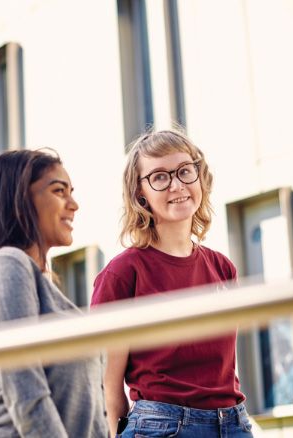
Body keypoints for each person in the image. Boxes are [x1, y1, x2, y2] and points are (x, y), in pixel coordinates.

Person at [90, 129, 253, 438]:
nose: (177, 185)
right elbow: (106, 387)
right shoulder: (123, 273)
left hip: (233, 424)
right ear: (141, 194)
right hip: (160, 427)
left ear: (199, 177)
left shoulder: (222, 268)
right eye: (160, 177)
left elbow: (224, 369)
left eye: (184, 171)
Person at [0, 149, 109, 438]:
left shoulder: (42, 286)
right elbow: (25, 392)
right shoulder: (7, 264)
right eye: (59, 191)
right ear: (19, 198)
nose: (74, 204)